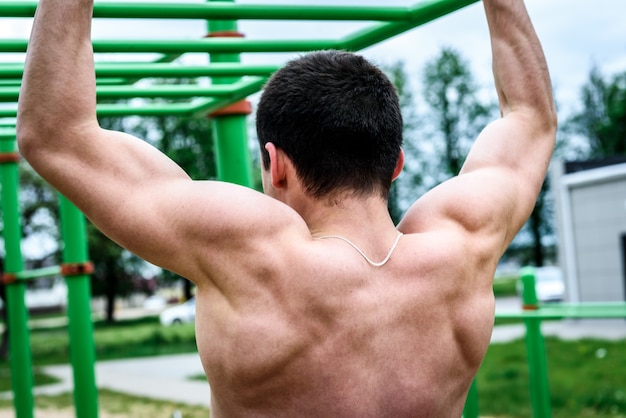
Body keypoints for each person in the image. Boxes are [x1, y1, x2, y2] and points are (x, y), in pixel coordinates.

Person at [17, 0, 556, 416]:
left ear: (275, 165)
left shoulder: (250, 252)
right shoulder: (464, 244)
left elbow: (56, 135)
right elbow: (532, 119)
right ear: (395, 164)